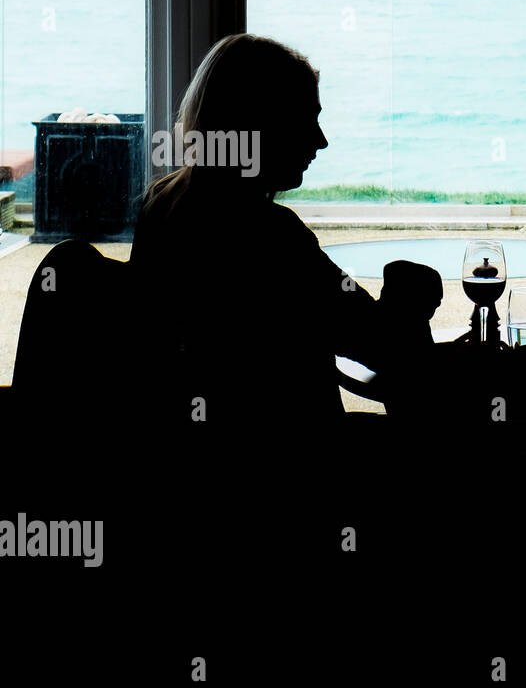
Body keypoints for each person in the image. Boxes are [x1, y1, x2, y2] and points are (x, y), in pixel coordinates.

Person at [130, 33, 438, 426]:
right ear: (261, 125)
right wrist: (409, 296)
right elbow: (381, 346)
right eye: (305, 120)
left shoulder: (162, 206)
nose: (320, 141)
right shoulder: (270, 237)